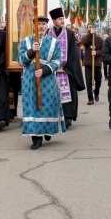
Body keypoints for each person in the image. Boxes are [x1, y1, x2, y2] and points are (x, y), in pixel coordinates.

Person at [18, 16, 66, 149]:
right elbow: (20, 60)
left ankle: (47, 130)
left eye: (43, 24)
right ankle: (36, 138)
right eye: (38, 24)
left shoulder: (53, 42)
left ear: (47, 26)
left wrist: (44, 70)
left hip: (48, 80)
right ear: (34, 26)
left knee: (47, 107)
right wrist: (31, 51)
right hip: (30, 80)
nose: (41, 27)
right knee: (33, 107)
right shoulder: (26, 41)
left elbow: (58, 61)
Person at [47, 7, 85, 128]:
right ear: (54, 21)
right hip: (51, 71)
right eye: (59, 19)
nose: (62, 20)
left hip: (65, 70)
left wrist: (67, 68)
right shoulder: (48, 32)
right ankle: (53, 116)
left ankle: (67, 117)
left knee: (67, 94)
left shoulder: (69, 33)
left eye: (63, 18)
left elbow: (73, 52)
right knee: (51, 94)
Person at [79, 23, 104, 105]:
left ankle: (96, 92)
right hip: (88, 63)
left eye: (92, 27)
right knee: (88, 81)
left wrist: (96, 52)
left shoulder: (99, 39)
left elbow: (103, 50)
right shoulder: (87, 38)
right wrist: (90, 34)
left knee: (98, 80)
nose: (91, 28)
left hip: (97, 63)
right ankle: (90, 98)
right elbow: (82, 42)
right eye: (89, 27)